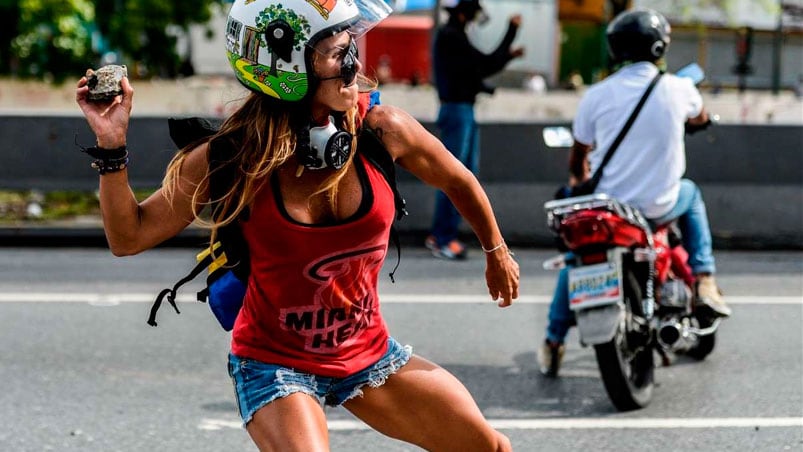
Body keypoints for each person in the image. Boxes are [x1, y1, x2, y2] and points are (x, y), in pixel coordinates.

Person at [75, 0, 520, 450]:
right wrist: (111, 145)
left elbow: (458, 179)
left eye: (352, 49)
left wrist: (496, 251)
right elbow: (128, 237)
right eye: (336, 54)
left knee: (490, 448)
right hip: (274, 363)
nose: (354, 67)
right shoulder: (231, 158)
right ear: (285, 65)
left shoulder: (383, 130)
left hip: (367, 353)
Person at [538, 8, 731, 377]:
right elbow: (701, 117)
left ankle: (553, 339)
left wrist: (580, 185)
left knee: (581, 257)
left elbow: (578, 159)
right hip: (659, 208)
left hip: (611, 211)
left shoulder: (595, 96)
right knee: (691, 192)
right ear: (660, 47)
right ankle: (705, 277)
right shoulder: (679, 89)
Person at [426, 0, 524, 260]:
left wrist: (507, 54)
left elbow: (472, 72)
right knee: (455, 178)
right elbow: (485, 64)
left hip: (462, 111)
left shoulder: (453, 36)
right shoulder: (452, 37)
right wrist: (510, 33)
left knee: (464, 176)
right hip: (458, 113)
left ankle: (445, 235)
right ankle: (442, 237)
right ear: (463, 13)